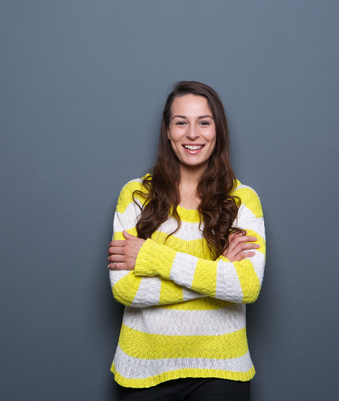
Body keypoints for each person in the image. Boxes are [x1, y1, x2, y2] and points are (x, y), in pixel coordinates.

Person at [107, 81, 265, 401]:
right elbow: (125, 289)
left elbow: (246, 287)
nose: (193, 134)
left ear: (217, 130)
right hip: (143, 368)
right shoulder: (136, 195)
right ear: (168, 131)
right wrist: (217, 275)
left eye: (204, 122)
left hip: (222, 371)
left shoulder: (243, 200)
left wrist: (153, 257)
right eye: (181, 122)